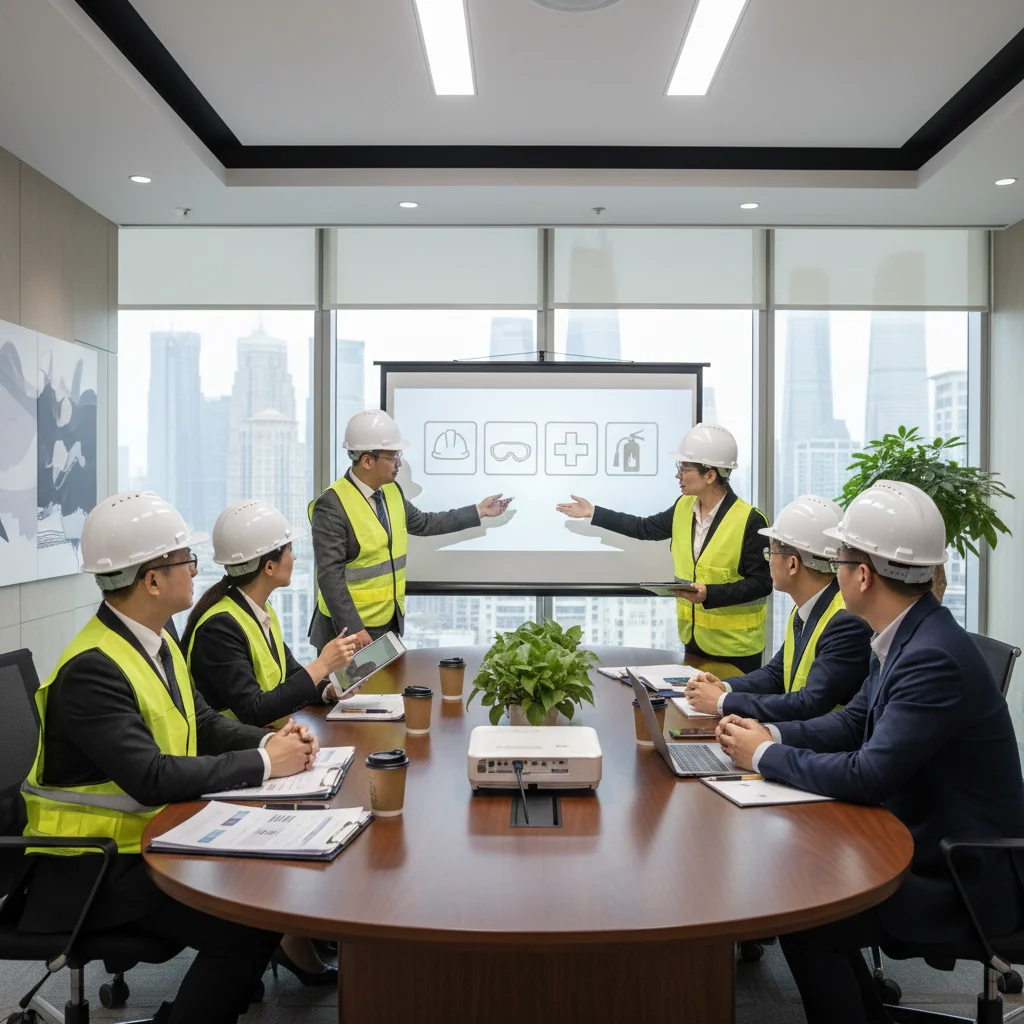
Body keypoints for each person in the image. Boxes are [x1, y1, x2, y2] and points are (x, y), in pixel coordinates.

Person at [716, 481, 1024, 1024]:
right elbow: (854, 720)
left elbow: (869, 773)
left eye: (839, 559)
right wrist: (767, 735)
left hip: (959, 871)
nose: (832, 572)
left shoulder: (931, 657)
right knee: (806, 900)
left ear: (862, 575)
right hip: (919, 835)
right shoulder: (905, 633)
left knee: (809, 919)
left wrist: (762, 758)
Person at [17, 491, 320, 1024]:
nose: (196, 572)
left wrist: (266, 743)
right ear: (152, 579)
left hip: (153, 840)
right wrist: (269, 765)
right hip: (92, 868)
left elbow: (200, 723)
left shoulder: (156, 643)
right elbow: (151, 778)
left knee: (262, 896)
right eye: (186, 561)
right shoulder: (93, 669)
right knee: (249, 920)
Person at [556, 423, 772, 674]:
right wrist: (594, 513)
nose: (678, 475)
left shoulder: (750, 520)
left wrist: (709, 593)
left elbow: (761, 584)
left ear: (710, 475)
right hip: (694, 640)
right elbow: (643, 528)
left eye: (685, 468)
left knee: (730, 712)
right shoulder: (683, 507)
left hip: (736, 650)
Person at [308, 409, 511, 652]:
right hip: (346, 633)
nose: (399, 463)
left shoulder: (391, 492)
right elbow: (330, 578)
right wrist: (354, 629)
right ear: (367, 460)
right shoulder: (332, 505)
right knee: (347, 692)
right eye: (393, 456)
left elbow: (425, 523)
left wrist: (478, 511)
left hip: (386, 625)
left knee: (386, 691)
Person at [684, 494, 873, 720]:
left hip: (823, 749)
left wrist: (722, 702)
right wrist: (724, 688)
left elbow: (810, 703)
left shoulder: (845, 622)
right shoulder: (807, 607)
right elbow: (776, 674)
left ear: (792, 564)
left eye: (770, 552)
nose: (768, 561)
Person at [184, 499, 359, 727]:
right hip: (239, 753)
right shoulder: (218, 629)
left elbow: (291, 674)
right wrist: (322, 665)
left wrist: (330, 690)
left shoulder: (260, 612)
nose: (294, 558)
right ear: (269, 566)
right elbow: (254, 710)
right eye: (290, 550)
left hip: (270, 741)